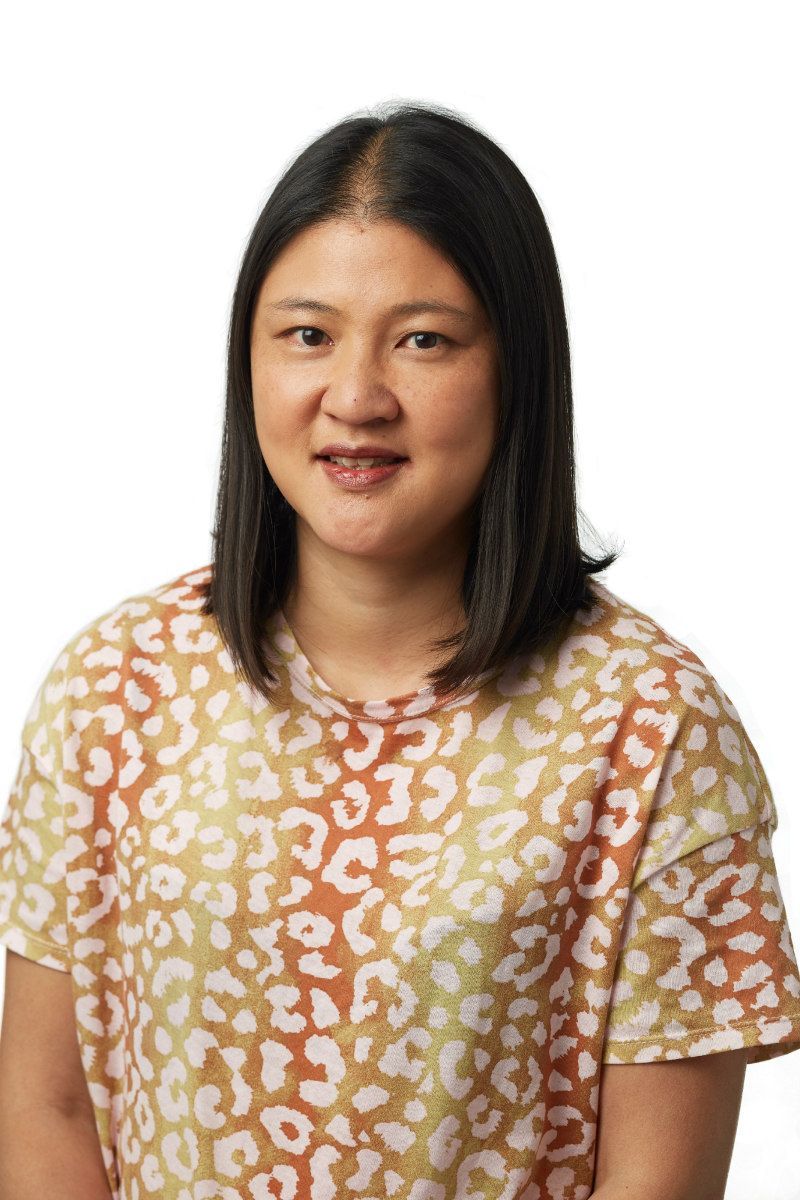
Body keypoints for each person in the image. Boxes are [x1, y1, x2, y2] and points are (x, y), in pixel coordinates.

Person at [1, 100, 798, 1200]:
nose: (356, 397)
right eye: (306, 334)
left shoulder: (651, 729)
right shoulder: (113, 687)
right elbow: (50, 1104)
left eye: (423, 339)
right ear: (249, 362)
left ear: (514, 366)